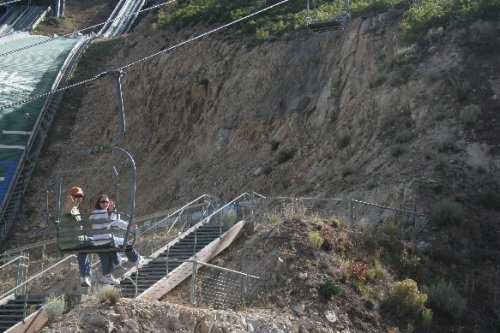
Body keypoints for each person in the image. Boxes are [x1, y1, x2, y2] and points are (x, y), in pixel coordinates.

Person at [89, 194, 143, 285]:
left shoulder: (104, 214)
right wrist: (112, 211)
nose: (105, 203)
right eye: (103, 201)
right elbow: (110, 220)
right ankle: (135, 258)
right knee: (122, 242)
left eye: (107, 202)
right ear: (99, 203)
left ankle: (107, 274)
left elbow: (117, 222)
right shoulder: (97, 213)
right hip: (106, 240)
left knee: (107, 249)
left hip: (101, 241)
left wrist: (129, 227)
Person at [60, 186, 92, 287]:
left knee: (86, 248)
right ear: (70, 197)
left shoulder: (76, 209)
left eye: (80, 196)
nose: (78, 198)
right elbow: (67, 211)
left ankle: (85, 276)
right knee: (102, 242)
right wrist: (70, 205)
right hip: (73, 241)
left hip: (77, 240)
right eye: (76, 196)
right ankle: (115, 263)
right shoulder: (68, 207)